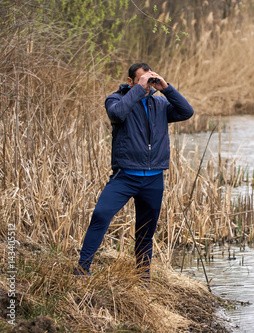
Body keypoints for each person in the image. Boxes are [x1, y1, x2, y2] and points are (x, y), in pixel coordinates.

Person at [74, 63, 194, 282]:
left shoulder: (160, 103)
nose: (148, 85)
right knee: (101, 215)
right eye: (142, 80)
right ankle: (82, 270)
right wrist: (139, 89)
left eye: (150, 80)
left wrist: (166, 88)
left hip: (153, 179)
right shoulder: (116, 100)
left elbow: (187, 112)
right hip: (125, 176)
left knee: (145, 232)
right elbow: (117, 114)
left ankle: (142, 279)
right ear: (131, 81)